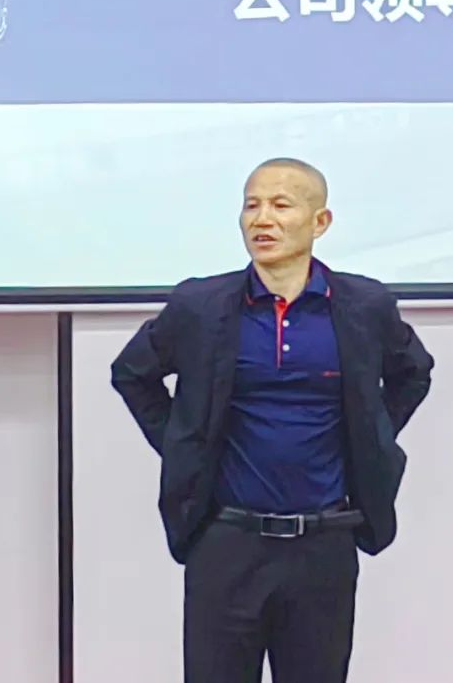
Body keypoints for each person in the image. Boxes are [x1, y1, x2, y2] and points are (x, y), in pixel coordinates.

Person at [110, 157, 434, 683]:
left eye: (281, 205)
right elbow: (132, 373)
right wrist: (184, 443)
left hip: (324, 543)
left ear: (320, 222)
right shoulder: (201, 305)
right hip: (226, 540)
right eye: (251, 206)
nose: (263, 219)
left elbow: (412, 374)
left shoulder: (363, 305)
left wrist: (369, 439)